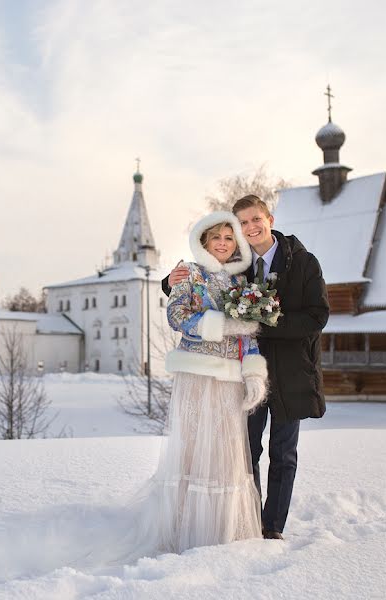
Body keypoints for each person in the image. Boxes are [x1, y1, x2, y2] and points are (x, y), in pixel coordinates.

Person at [162, 194, 329, 540]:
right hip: (241, 370)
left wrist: (267, 321)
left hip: (290, 370)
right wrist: (170, 280)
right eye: (244, 223)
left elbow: (318, 316)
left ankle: (272, 527)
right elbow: (207, 278)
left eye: (257, 219)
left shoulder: (302, 262)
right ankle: (247, 520)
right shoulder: (242, 264)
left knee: (283, 453)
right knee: (245, 450)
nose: (251, 228)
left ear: (269, 218)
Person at [148, 211, 268, 553]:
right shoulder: (188, 272)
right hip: (199, 376)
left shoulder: (241, 284)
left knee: (226, 454)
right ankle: (191, 531)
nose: (223, 244)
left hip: (229, 380)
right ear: (204, 241)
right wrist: (221, 324)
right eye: (216, 237)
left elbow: (250, 332)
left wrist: (254, 373)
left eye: (230, 239)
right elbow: (177, 316)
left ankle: (224, 532)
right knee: (197, 449)